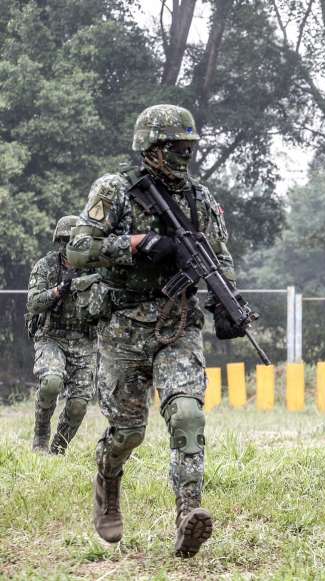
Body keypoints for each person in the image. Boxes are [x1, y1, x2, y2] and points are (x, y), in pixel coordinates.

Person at [67, 104, 242, 557]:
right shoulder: (116, 190)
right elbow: (79, 250)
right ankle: (107, 484)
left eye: (188, 147)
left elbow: (219, 259)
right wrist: (139, 245)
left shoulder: (201, 200)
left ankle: (189, 514)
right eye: (174, 147)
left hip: (178, 323)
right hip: (122, 328)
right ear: (150, 147)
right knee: (128, 432)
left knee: (187, 415)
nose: (183, 155)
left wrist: (228, 303)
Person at [27, 215, 97, 455]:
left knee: (79, 404)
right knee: (51, 382)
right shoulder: (46, 266)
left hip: (84, 341)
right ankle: (41, 438)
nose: (71, 246)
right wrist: (58, 290)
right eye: (67, 241)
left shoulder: (95, 269)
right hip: (51, 336)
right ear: (60, 242)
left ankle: (58, 449)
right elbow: (34, 303)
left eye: (76, 241)